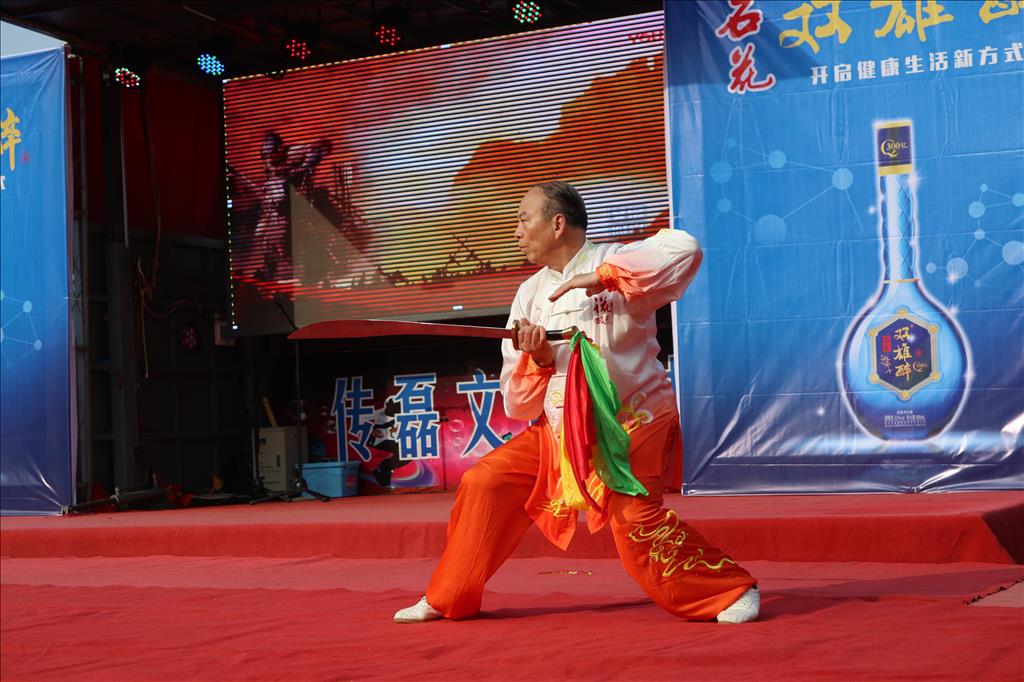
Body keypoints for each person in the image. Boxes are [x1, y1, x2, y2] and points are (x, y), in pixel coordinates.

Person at [394, 181, 759, 624]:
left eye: (523, 220)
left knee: (633, 519)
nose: (516, 232)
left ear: (557, 223)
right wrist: (540, 358)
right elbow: (519, 404)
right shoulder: (530, 293)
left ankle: (727, 589)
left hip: (632, 421)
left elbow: (686, 249)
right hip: (560, 430)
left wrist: (604, 277)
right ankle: (449, 595)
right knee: (485, 482)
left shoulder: (615, 259)